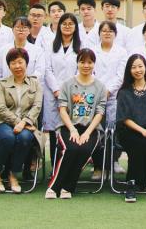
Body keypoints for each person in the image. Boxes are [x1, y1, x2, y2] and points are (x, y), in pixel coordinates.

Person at [46, 48, 107, 199]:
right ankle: (54, 187)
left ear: (94, 64)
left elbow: (99, 113)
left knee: (84, 150)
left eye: (90, 62)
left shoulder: (100, 86)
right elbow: (62, 109)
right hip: (69, 127)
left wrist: (87, 133)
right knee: (71, 149)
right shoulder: (67, 84)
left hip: (91, 129)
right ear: (77, 63)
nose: (86, 65)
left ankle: (67, 187)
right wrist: (73, 130)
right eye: (82, 62)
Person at [0, 47, 42, 193]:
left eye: (20, 62)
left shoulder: (35, 83)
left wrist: (23, 123)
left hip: (27, 124)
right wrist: (17, 122)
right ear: (9, 66)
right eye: (13, 63)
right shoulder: (2, 83)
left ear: (26, 63)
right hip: (2, 122)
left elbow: (37, 106)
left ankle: (13, 175)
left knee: (24, 138)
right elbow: (1, 108)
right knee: (8, 137)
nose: (17, 66)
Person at [116, 54, 146, 201]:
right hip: (128, 131)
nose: (138, 70)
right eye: (134, 67)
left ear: (145, 68)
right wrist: (142, 131)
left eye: (140, 66)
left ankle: (139, 181)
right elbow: (124, 118)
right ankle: (132, 184)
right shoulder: (124, 91)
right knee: (138, 145)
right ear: (129, 70)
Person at [91, 21, 127, 180]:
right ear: (99, 33)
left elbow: (121, 75)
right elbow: (89, 71)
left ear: (115, 34)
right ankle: (98, 167)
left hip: (114, 96)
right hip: (94, 95)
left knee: (113, 131)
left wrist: (108, 91)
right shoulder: (92, 50)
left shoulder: (122, 52)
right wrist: (100, 91)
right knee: (96, 131)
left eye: (110, 31)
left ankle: (112, 162)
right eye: (104, 30)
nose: (107, 33)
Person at [44, 13, 81, 162]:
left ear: (75, 27)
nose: (67, 26)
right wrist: (56, 90)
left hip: (74, 93)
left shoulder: (81, 46)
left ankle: (68, 165)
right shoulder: (50, 45)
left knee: (71, 128)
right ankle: (55, 165)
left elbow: (82, 70)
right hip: (53, 93)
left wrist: (67, 91)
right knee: (54, 131)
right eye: (64, 23)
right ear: (59, 26)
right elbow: (47, 69)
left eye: (71, 24)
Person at [0, 16, 47, 81]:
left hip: (30, 85)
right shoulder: (2, 50)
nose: (21, 30)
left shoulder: (38, 51)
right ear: (12, 30)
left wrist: (26, 83)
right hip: (7, 85)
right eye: (18, 27)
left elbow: (39, 71)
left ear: (29, 31)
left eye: (24, 27)